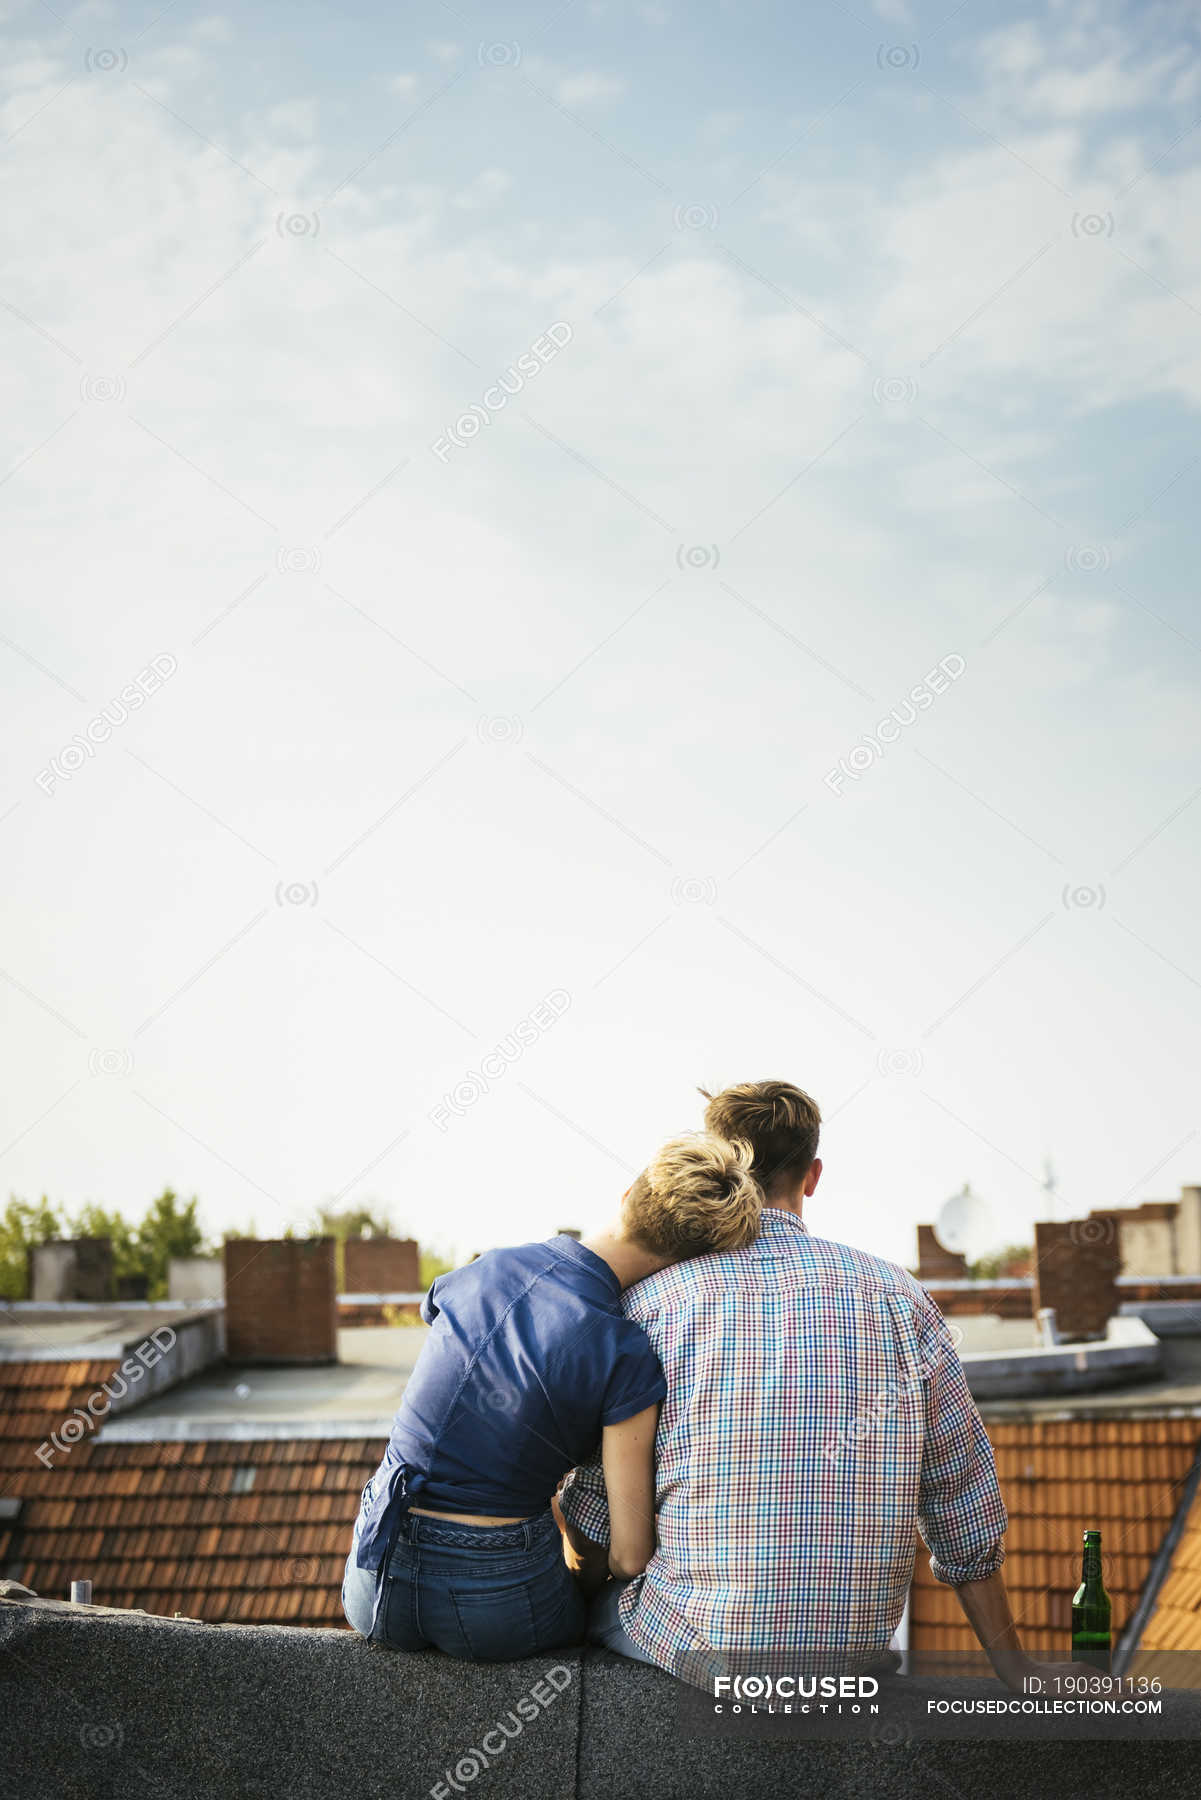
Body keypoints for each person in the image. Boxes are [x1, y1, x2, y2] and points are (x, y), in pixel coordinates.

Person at [558, 1079, 1099, 1691]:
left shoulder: (652, 1302)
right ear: (812, 1176)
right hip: (849, 1662)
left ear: (715, 1169)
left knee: (585, 1615)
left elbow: (599, 1514)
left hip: (699, 1646)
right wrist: (1016, 1668)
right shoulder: (899, 1296)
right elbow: (961, 1494)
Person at [341, 1132, 763, 1660]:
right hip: (495, 1605)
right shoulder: (624, 1352)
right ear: (692, 1260)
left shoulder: (485, 1267)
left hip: (375, 1580)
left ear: (630, 1193)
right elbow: (630, 1558)